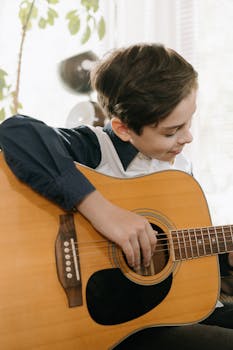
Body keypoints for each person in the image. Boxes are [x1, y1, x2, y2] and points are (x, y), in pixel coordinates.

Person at [0, 43, 233, 349]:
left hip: (158, 310)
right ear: (123, 129)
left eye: (189, 122)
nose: (187, 137)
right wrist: (101, 211)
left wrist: (224, 262)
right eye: (171, 131)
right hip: (110, 322)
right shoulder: (96, 149)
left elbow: (176, 266)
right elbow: (16, 133)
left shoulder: (180, 172)